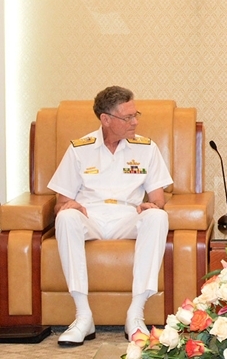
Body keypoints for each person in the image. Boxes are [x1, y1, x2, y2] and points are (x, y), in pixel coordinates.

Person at [48, 86, 173, 346]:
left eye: (135, 114)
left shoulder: (146, 148)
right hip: (90, 216)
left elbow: (158, 197)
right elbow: (60, 203)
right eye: (127, 117)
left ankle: (135, 315)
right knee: (66, 217)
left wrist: (153, 205)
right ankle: (83, 317)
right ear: (105, 119)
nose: (135, 122)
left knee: (158, 217)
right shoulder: (79, 149)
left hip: (128, 216)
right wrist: (69, 206)